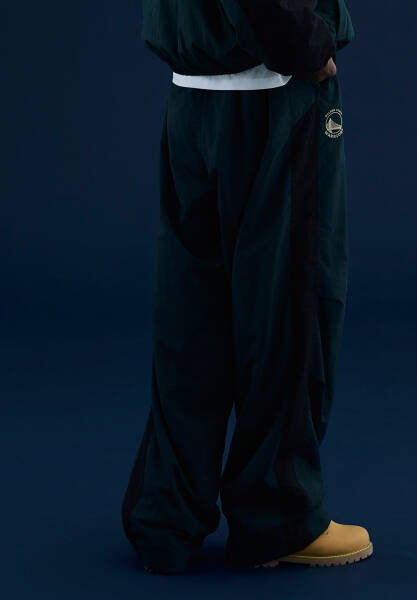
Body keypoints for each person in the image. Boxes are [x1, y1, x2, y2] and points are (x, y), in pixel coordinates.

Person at [122, 0, 373, 573]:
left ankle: (165, 517)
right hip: (271, 97)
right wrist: (307, 44)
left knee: (192, 320)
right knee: (287, 309)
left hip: (192, 96)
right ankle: (277, 518)